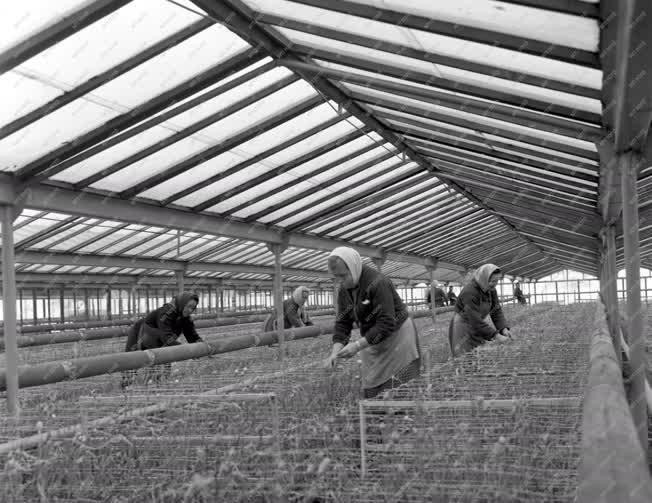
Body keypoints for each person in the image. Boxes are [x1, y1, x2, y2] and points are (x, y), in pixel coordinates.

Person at [325, 247, 421, 398]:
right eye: (336, 277)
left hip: (397, 337)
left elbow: (386, 323)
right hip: (372, 339)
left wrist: (357, 346)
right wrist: (335, 352)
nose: (340, 281)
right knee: (373, 390)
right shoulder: (344, 289)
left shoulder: (378, 283)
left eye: (343, 276)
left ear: (353, 267)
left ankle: (400, 416)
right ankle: (379, 417)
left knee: (398, 388)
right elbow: (343, 322)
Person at [122, 292, 203, 386]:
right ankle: (127, 387)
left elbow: (192, 336)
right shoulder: (166, 312)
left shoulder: (185, 318)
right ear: (182, 303)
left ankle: (154, 385)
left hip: (159, 343)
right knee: (131, 363)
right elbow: (166, 338)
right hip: (140, 333)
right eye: (188, 306)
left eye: (193, 308)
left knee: (160, 371)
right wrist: (187, 350)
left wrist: (202, 346)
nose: (190, 310)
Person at [448, 264, 512, 357]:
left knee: (478, 356)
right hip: (462, 327)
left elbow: (496, 311)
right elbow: (475, 321)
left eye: (497, 280)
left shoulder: (491, 290)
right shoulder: (470, 292)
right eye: (493, 281)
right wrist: (496, 336)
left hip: (476, 325)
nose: (495, 284)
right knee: (465, 358)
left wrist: (503, 329)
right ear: (483, 279)